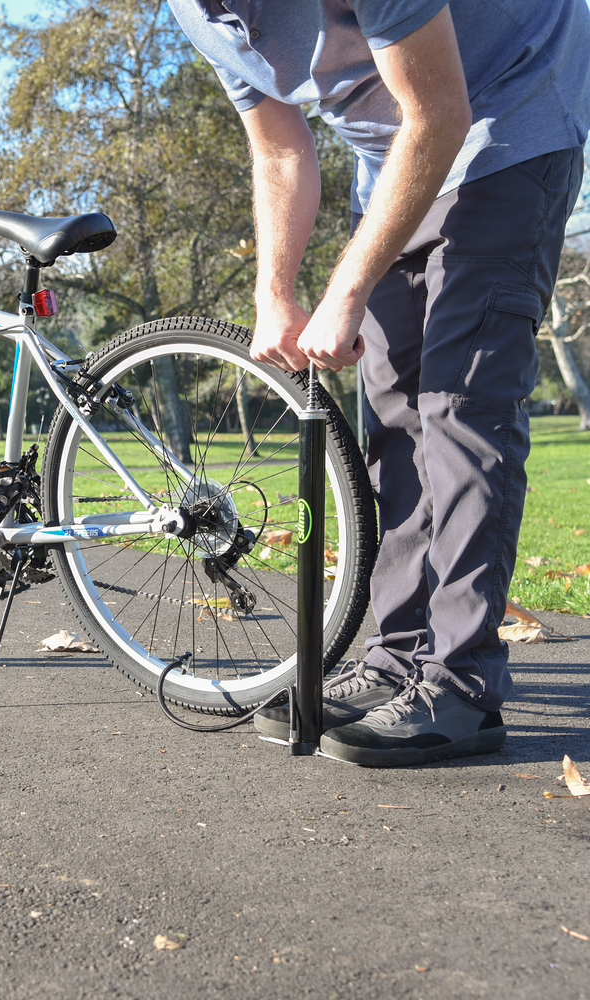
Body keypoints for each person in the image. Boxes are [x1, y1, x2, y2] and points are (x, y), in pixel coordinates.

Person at [167, 0, 590, 766]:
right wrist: (276, 292)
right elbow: (280, 151)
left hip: (509, 110)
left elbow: (440, 112)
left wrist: (346, 289)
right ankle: (398, 658)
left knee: (461, 405)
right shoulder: (192, 12)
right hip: (393, 156)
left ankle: (460, 685)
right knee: (392, 411)